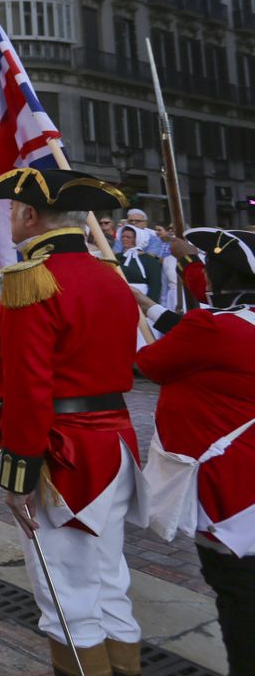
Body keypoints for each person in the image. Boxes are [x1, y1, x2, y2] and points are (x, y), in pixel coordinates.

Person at [0, 168, 141, 676]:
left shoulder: (32, 281)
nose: (9, 218)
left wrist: (20, 474)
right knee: (109, 581)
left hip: (65, 455)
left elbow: (29, 390)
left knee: (65, 593)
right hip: (116, 445)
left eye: (13, 209)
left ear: (31, 215)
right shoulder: (109, 276)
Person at [133, 228, 255, 675]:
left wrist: (136, 313)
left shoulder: (213, 327)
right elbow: (197, 322)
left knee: (238, 596)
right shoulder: (225, 324)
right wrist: (151, 303)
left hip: (234, 491)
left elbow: (149, 363)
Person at [117, 225, 163, 304]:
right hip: (119, 298)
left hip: (141, 300)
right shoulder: (116, 257)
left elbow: (155, 285)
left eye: (128, 237)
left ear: (137, 239)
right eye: (123, 236)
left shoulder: (149, 260)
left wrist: (150, 306)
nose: (124, 239)